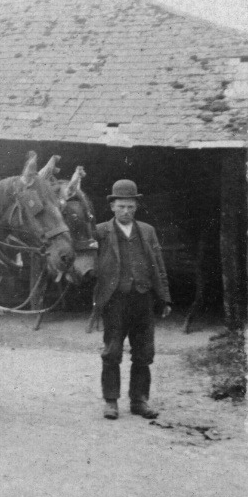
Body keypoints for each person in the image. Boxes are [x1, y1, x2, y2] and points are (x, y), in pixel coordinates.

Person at [93, 179, 171, 421]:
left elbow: (159, 266)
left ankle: (139, 401)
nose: (126, 211)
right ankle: (111, 402)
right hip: (115, 301)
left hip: (142, 299)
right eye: (121, 207)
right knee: (112, 351)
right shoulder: (101, 231)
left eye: (130, 206)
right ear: (112, 207)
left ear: (136, 206)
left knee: (144, 353)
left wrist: (165, 298)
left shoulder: (147, 231)